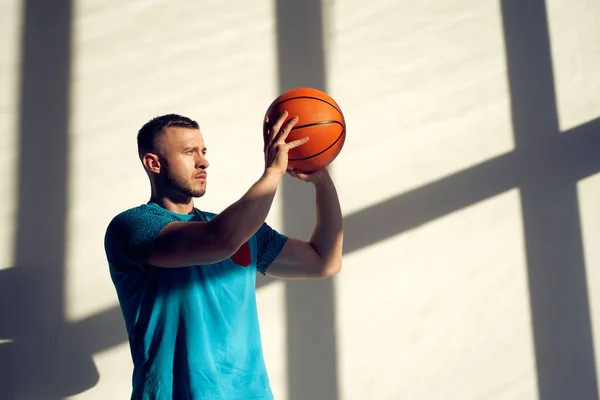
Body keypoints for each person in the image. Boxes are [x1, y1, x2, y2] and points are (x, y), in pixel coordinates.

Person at [103, 111, 343, 399]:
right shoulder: (132, 227)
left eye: (203, 151)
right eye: (189, 152)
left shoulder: (244, 229)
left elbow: (324, 261)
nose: (203, 161)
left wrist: (322, 180)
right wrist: (273, 173)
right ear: (154, 163)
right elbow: (219, 240)